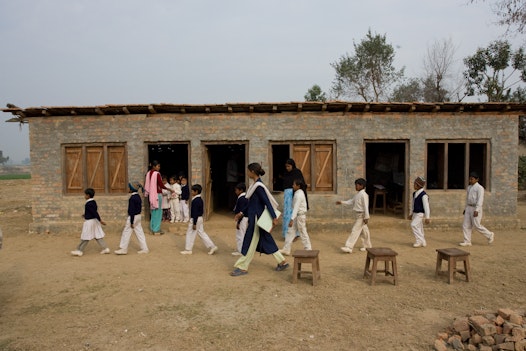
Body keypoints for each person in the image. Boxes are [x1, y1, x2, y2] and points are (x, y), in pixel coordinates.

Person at [230, 162, 289, 276]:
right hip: (254, 216)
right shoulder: (254, 186)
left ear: (252, 172)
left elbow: (266, 202)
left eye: (248, 171)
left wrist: (273, 217)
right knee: (266, 240)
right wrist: (242, 213)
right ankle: (282, 261)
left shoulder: (258, 187)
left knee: (250, 241)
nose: (247, 173)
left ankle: (243, 267)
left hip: (257, 218)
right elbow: (251, 204)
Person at [336, 178, 372, 254]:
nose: (356, 187)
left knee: (355, 230)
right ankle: (367, 245)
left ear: (362, 186)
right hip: (358, 215)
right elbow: (351, 201)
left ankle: (349, 246)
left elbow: (366, 206)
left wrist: (366, 217)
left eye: (357, 185)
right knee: (364, 231)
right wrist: (342, 202)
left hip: (362, 215)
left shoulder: (364, 195)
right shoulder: (357, 195)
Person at [71, 188, 110, 256]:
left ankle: (79, 250)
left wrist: (100, 220)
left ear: (88, 195)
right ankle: (105, 248)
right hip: (94, 221)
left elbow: (94, 212)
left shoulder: (88, 204)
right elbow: (93, 212)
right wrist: (86, 215)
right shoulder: (93, 202)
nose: (84, 196)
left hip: (90, 222)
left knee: (85, 236)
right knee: (97, 236)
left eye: (85, 195)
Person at [180, 184, 218, 255]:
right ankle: (212, 246)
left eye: (192, 191)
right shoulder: (200, 199)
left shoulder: (195, 201)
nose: (191, 192)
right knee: (201, 233)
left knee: (190, 233)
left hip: (195, 219)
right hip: (199, 218)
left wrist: (194, 223)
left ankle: (188, 249)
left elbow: (195, 213)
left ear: (196, 191)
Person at [460, 172, 495, 246]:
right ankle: (467, 241)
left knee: (476, 225)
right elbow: (467, 199)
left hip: (475, 207)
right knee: (466, 225)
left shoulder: (479, 188)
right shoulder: (469, 187)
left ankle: (489, 234)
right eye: (470, 179)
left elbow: (480, 199)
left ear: (477, 179)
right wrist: (465, 208)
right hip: (469, 207)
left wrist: (477, 210)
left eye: (472, 179)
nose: (470, 180)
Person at [114, 182, 149, 255]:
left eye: (129, 187)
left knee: (126, 232)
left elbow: (132, 210)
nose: (128, 188)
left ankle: (123, 249)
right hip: (138, 216)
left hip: (133, 217)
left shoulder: (132, 198)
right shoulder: (138, 196)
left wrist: (132, 222)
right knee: (140, 232)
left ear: (131, 189)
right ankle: (145, 248)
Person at [280, 178, 312, 256]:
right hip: (297, 216)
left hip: (300, 216)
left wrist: (291, 219)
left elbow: (296, 208)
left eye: (294, 184)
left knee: (302, 231)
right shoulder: (298, 193)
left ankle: (308, 248)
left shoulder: (299, 194)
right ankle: (286, 249)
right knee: (290, 231)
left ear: (298, 186)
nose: (292, 186)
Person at [144, 160, 174, 235]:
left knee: (153, 212)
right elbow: (161, 185)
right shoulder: (157, 174)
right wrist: (169, 189)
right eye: (158, 166)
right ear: (154, 166)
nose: (159, 167)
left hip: (151, 195)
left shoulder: (148, 173)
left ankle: (152, 228)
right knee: (158, 212)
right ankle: (156, 229)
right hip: (157, 195)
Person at [282, 158, 305, 238]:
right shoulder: (286, 173)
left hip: (294, 194)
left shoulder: (297, 172)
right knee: (287, 214)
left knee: (293, 213)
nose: (287, 168)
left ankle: (295, 234)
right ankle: (287, 233)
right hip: (287, 196)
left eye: (289, 166)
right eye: (286, 166)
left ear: (292, 165)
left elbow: (301, 184)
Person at [408, 176, 430, 248]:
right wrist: (411, 213)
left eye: (415, 184)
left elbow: (426, 207)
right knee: (419, 227)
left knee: (413, 225)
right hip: (415, 213)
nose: (413, 185)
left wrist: (427, 217)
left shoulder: (423, 195)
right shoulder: (415, 194)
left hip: (420, 213)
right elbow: (412, 204)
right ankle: (423, 241)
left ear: (418, 185)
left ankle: (419, 240)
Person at [232, 182, 248, 256]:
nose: (235, 192)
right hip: (244, 219)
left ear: (241, 190)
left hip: (242, 219)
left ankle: (240, 250)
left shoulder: (241, 199)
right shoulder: (245, 197)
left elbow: (241, 212)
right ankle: (242, 249)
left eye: (236, 190)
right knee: (242, 234)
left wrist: (238, 222)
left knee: (240, 235)